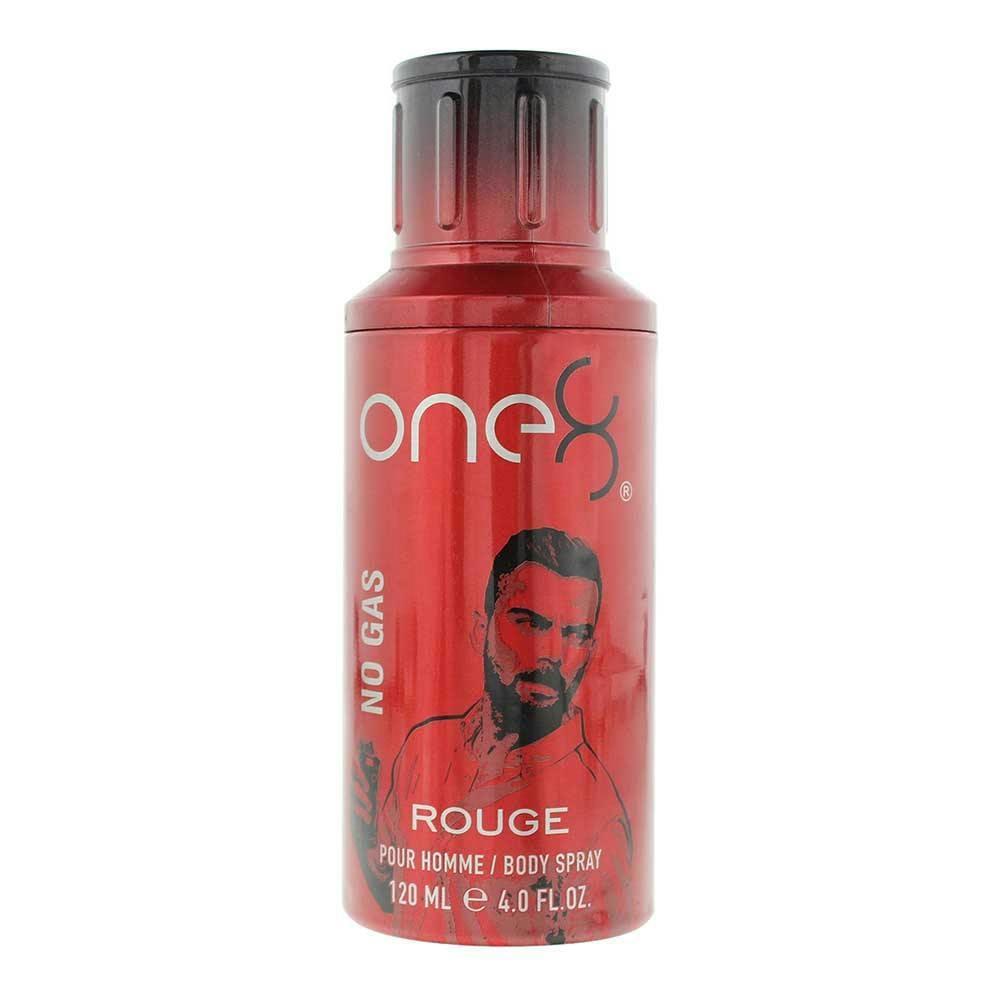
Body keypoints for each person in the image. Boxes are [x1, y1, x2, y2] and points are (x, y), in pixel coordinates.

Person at [351, 527, 632, 944]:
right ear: (481, 628)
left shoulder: (600, 821)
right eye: (529, 623)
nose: (552, 654)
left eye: (575, 634)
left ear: (591, 648)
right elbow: (393, 891)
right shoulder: (423, 747)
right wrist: (364, 828)